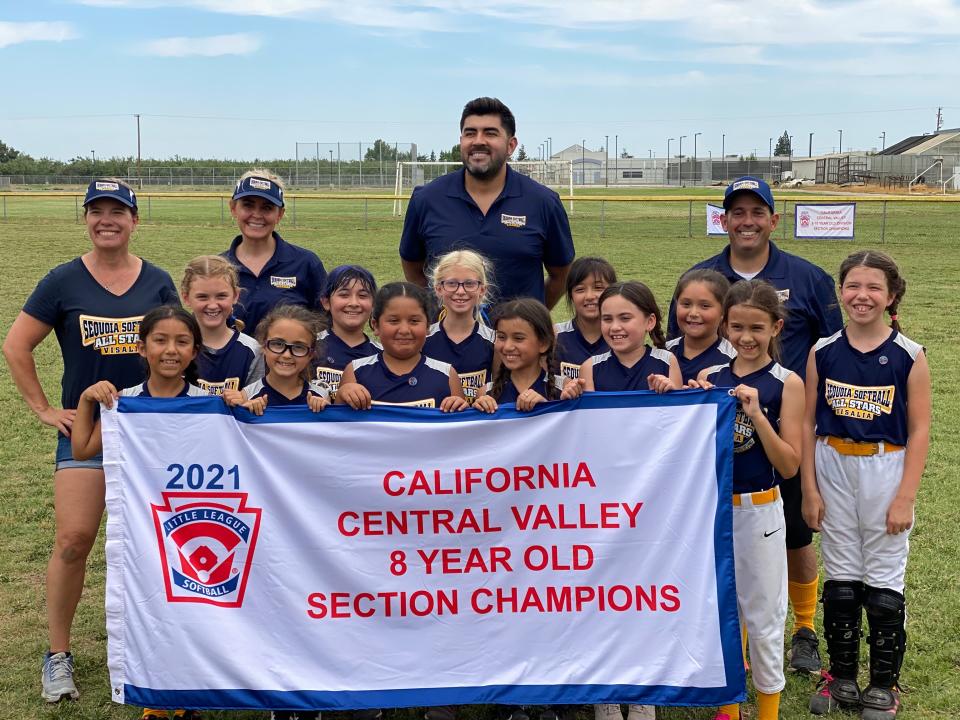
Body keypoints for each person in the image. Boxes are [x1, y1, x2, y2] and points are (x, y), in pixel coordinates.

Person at [2, 178, 179, 703]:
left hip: (151, 432)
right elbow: (16, 345)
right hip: (89, 432)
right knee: (74, 540)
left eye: (118, 211)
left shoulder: (158, 280)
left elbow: (183, 343)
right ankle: (57, 655)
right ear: (85, 218)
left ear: (134, 220)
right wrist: (41, 408)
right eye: (97, 210)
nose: (107, 219)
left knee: (161, 546)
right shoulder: (63, 280)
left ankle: (167, 649)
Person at [668, 176, 843, 673]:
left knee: (795, 536)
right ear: (722, 220)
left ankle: (804, 628)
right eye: (736, 212)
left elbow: (830, 352)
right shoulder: (702, 275)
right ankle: (729, 639)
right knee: (724, 542)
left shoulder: (807, 277)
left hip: (787, 423)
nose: (746, 221)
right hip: (725, 429)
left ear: (773, 218)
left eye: (756, 212)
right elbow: (675, 339)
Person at [802, 251, 930, 719]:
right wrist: (810, 490)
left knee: (882, 579)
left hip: (884, 467)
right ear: (841, 291)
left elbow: (919, 429)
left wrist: (906, 496)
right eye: (853, 285)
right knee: (840, 579)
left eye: (874, 287)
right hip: (832, 461)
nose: (862, 295)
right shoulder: (823, 351)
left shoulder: (909, 354)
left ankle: (884, 682)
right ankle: (841, 676)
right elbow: (808, 424)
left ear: (891, 295)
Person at [70, 306, 207, 720]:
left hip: (192, 522)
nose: (171, 350)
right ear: (142, 348)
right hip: (141, 525)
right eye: (160, 341)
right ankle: (157, 699)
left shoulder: (208, 402)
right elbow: (83, 450)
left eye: (182, 342)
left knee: (190, 606)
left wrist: (237, 406)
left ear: (195, 350)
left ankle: (187, 691)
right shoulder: (123, 402)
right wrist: (85, 400)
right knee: (149, 606)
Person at [693, 280, 805, 720]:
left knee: (762, 614)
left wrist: (757, 414)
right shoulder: (711, 379)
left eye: (757, 328)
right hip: (715, 511)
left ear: (775, 327)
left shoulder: (785, 383)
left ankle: (768, 710)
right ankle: (727, 706)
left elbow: (791, 463)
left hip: (760, 508)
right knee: (723, 609)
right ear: (724, 326)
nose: (745, 337)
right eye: (736, 326)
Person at [400, 97, 575, 307]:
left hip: (516, 338)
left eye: (490, 133)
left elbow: (561, 274)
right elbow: (413, 266)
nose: (478, 141)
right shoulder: (426, 199)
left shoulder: (544, 202)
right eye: (470, 133)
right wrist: (434, 310)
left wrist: (530, 318)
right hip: (449, 338)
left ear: (511, 145)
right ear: (461, 141)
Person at [222, 169, 327, 333]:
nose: (256, 215)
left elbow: (325, 326)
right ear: (233, 208)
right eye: (248, 205)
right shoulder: (218, 267)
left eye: (267, 207)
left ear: (280, 214)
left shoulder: (306, 263)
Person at [337, 282, 469, 411]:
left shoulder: (446, 375)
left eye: (414, 321)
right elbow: (335, 427)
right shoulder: (356, 371)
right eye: (394, 321)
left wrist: (459, 406)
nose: (405, 330)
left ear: (428, 326)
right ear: (375, 325)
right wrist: (343, 394)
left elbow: (462, 428)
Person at [474, 298, 582, 413]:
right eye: (501, 337)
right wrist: (481, 410)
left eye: (518, 338)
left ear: (543, 343)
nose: (507, 347)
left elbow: (575, 427)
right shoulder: (486, 392)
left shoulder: (564, 388)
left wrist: (545, 409)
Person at [224, 304, 329, 417]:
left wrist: (327, 413)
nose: (287, 355)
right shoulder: (247, 396)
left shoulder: (320, 396)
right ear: (264, 346)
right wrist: (245, 413)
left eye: (299, 347)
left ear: (311, 354)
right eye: (278, 344)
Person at [180, 255, 264, 395]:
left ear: (236, 296)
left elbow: (255, 402)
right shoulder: (175, 346)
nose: (212, 305)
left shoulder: (251, 350)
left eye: (221, 296)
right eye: (202, 297)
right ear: (186, 298)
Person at [580, 281, 682, 395]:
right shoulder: (590, 368)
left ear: (650, 322)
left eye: (625, 318)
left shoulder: (667, 361)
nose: (615, 327)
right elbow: (588, 412)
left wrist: (669, 391)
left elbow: (677, 411)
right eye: (607, 319)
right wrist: (571, 397)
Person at [424, 249, 496, 402]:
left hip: (478, 423)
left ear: (482, 290)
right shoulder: (424, 340)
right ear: (438, 289)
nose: (461, 291)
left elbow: (502, 388)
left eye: (469, 284)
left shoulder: (494, 341)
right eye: (452, 284)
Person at [315, 264, 380, 400]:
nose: (354, 303)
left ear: (373, 304)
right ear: (326, 302)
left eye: (363, 296)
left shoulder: (383, 354)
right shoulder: (309, 348)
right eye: (344, 295)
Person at [666, 269, 735, 384]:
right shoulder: (663, 353)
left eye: (704, 306)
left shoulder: (734, 360)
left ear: (723, 311)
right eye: (686, 304)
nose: (693, 313)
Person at [555, 257, 617, 381]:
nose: (589, 296)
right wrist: (562, 383)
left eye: (598, 288)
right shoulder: (555, 336)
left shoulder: (621, 335)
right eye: (580, 289)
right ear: (571, 296)